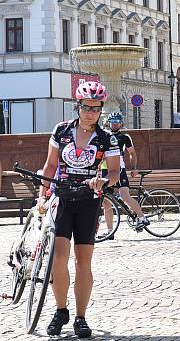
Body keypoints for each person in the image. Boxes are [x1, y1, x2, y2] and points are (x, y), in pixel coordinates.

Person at [39, 81, 120, 338]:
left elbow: (116, 173)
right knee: (59, 258)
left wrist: (104, 180)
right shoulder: (61, 131)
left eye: (95, 109)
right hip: (62, 198)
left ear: (101, 110)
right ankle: (60, 309)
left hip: (88, 201)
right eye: (86, 107)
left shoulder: (107, 138)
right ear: (78, 106)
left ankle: (81, 317)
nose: (90, 112)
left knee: (83, 261)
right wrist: (42, 195)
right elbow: (50, 166)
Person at [99, 112, 149, 238]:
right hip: (105, 169)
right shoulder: (104, 135)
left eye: (117, 122)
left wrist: (134, 168)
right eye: (112, 122)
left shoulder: (124, 137)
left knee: (125, 196)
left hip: (119, 168)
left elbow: (132, 153)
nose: (115, 124)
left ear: (121, 123)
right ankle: (110, 231)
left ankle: (142, 218)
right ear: (108, 123)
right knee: (106, 201)